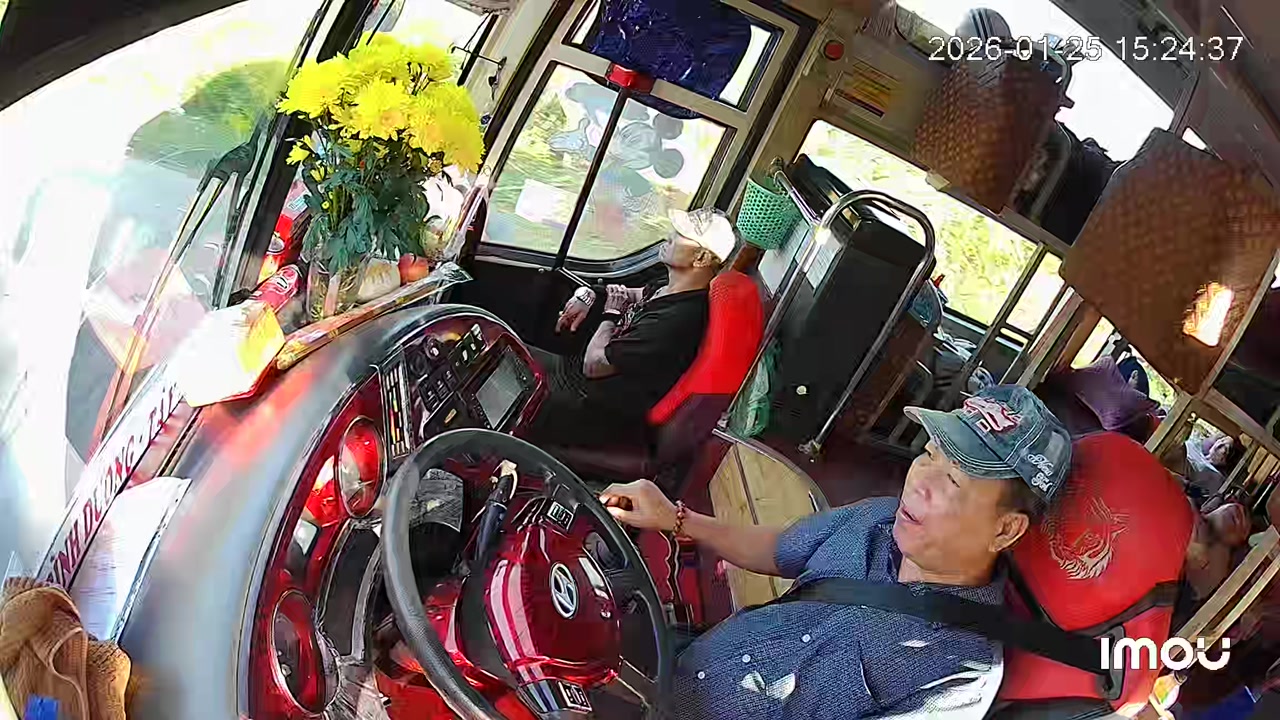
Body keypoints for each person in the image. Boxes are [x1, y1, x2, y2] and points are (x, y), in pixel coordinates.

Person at [600, 385, 1072, 719]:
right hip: (675, 667)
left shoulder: (958, 674)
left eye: (952, 480)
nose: (919, 482)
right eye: (928, 454)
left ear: (1005, 529)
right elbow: (781, 550)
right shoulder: (877, 517)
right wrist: (676, 518)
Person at [525, 207, 737, 447]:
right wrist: (589, 295)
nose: (668, 236)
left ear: (701, 258)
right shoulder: (669, 287)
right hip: (576, 378)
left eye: (680, 234)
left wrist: (610, 315)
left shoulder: (674, 322)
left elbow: (593, 365)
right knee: (507, 353)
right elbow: (632, 294)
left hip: (591, 407)